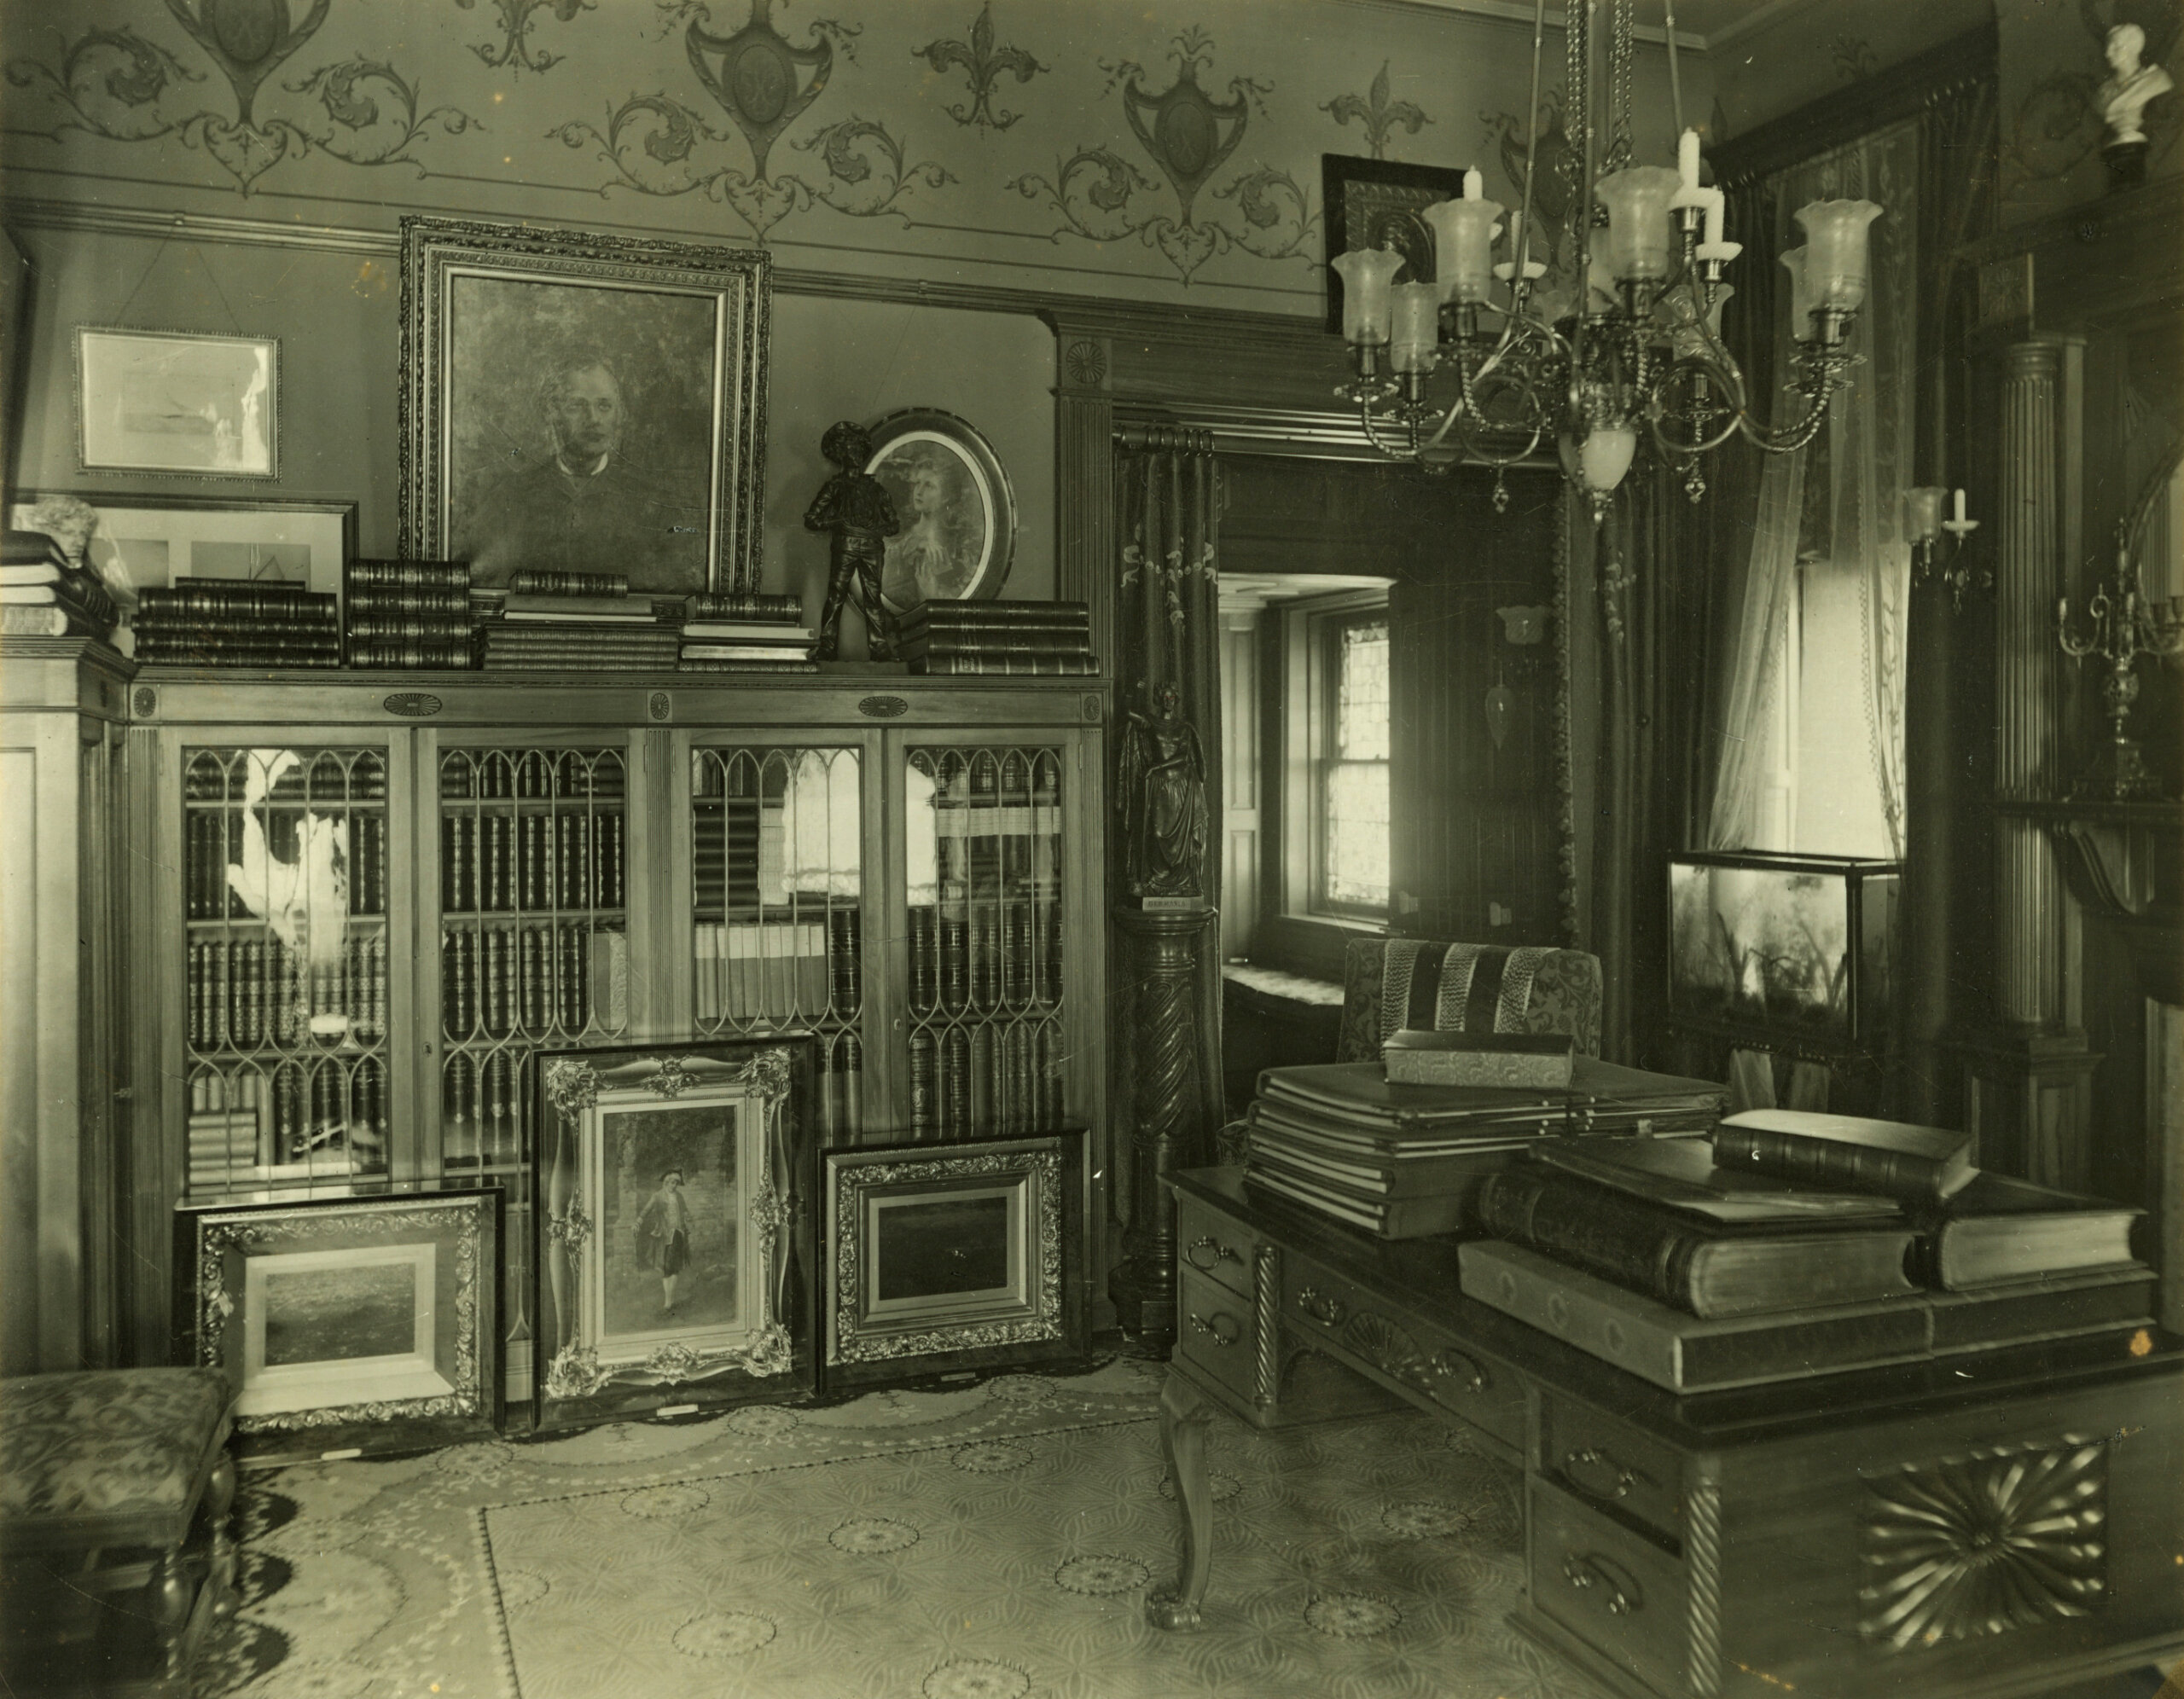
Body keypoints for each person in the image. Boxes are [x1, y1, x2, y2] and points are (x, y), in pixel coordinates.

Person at [455, 351, 706, 591]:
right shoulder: (510, 498)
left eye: (604, 406)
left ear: (619, 414)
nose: (593, 419)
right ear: (551, 412)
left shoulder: (655, 505)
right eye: (577, 406)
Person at [804, 420, 901, 660]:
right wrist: (836, 523)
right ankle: (827, 647)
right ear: (841, 455)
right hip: (845, 546)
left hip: (872, 548)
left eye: (858, 449)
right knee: (835, 596)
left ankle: (880, 650)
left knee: (873, 599)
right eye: (849, 449)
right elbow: (812, 519)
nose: (855, 454)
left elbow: (894, 525)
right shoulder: (835, 486)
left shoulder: (877, 490)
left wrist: (878, 528)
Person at [880, 444, 972, 610]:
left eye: (929, 486)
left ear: (946, 498)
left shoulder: (957, 547)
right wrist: (916, 544)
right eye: (918, 483)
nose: (919, 491)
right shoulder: (898, 531)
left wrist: (933, 591)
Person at [2098, 22, 2173, 146]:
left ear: (2134, 48)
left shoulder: (2155, 79)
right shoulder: (2103, 92)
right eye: (2107, 48)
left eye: (2116, 48)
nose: (2108, 54)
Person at [636, 1167, 692, 1318]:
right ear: (666, 1182)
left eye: (676, 1183)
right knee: (666, 1268)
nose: (674, 1186)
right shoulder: (658, 1196)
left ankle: (669, 1300)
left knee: (674, 1267)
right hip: (664, 1236)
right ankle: (669, 1300)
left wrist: (687, 1217)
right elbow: (646, 1210)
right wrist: (638, 1221)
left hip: (678, 1235)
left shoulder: (679, 1196)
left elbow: (685, 1211)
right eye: (672, 1183)